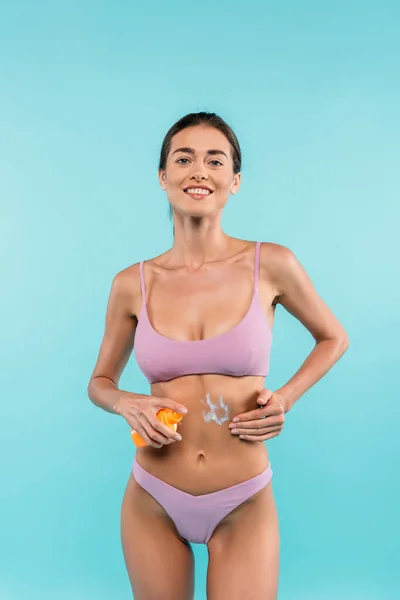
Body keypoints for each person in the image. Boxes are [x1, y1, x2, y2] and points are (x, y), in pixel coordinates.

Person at [87, 111, 349, 600]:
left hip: (243, 497)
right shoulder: (131, 284)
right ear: (163, 176)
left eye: (215, 160)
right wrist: (125, 402)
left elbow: (334, 337)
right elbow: (99, 382)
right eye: (183, 158)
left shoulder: (270, 264)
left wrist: (286, 398)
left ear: (235, 180)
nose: (199, 171)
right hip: (153, 495)